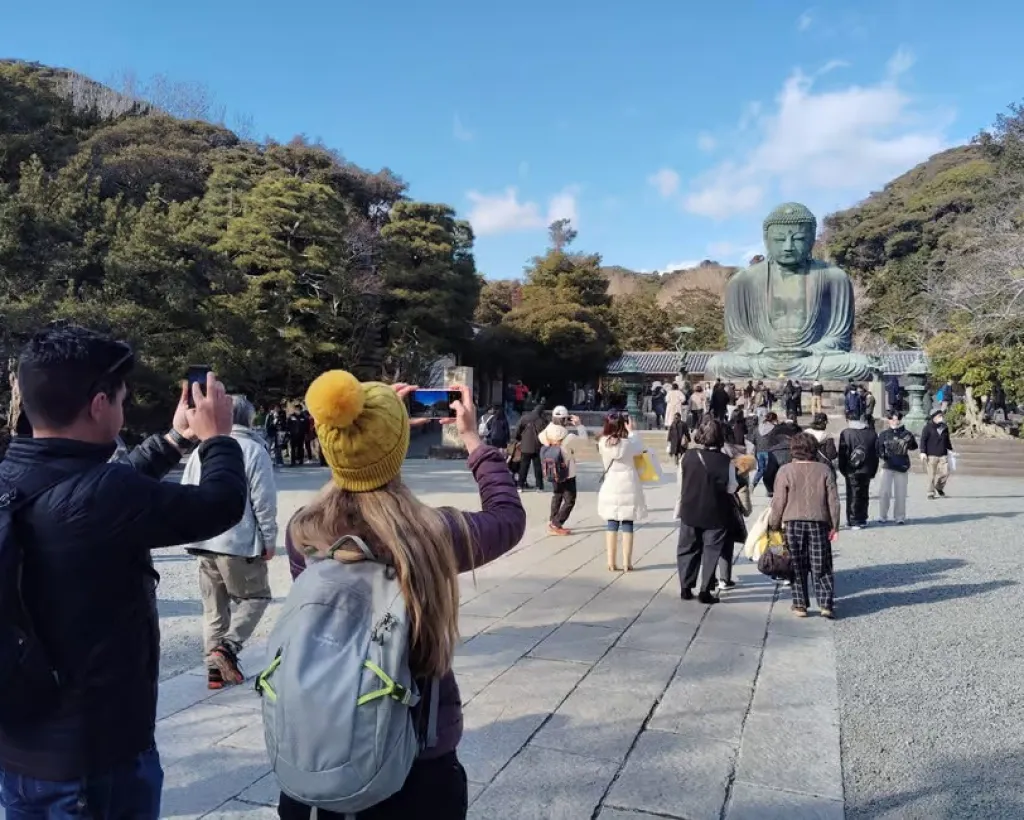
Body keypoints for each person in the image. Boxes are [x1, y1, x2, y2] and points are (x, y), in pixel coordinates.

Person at [0, 325, 247, 819]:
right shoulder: (103, 495)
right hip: (94, 757)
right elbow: (219, 503)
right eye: (120, 400)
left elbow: (100, 489)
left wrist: (177, 439)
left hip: (23, 747)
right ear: (97, 406)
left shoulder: (14, 472)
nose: (123, 409)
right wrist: (219, 438)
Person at [280, 373, 526, 819]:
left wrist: (363, 431)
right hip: (418, 758)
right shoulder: (430, 535)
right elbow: (507, 517)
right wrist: (472, 438)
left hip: (323, 747)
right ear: (396, 452)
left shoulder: (303, 532)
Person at [181, 395, 278, 689]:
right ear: (248, 418)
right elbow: (263, 499)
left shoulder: (202, 449)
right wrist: (269, 538)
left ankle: (214, 672)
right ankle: (228, 648)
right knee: (256, 597)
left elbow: (186, 489)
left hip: (204, 539)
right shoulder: (252, 448)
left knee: (214, 609)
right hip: (237, 541)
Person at [768, 433, 841, 619]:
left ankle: (800, 604)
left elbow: (778, 501)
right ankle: (826, 604)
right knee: (821, 563)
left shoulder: (785, 470)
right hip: (819, 521)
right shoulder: (824, 470)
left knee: (797, 563)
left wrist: (774, 524)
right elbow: (833, 500)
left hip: (793, 521)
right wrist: (835, 525)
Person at [676, 416, 739, 604]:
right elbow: (731, 487)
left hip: (690, 509)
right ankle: (705, 590)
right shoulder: (726, 461)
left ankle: (686, 587)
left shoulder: (687, 456)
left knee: (687, 548)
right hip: (716, 512)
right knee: (712, 550)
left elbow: (681, 483)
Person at [597, 413, 646, 572]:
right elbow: (640, 449)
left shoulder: (603, 443)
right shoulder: (630, 443)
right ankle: (627, 562)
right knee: (627, 523)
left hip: (610, 485)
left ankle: (611, 562)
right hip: (628, 486)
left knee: (611, 523)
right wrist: (632, 431)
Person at [539, 407, 589, 535]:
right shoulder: (569, 437)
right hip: (567, 471)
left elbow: (540, 437)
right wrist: (579, 425)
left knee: (557, 495)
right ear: (565, 420)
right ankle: (556, 523)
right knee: (570, 499)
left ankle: (553, 521)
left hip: (552, 469)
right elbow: (584, 441)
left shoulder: (545, 434)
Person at [837, 411, 879, 529]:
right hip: (867, 468)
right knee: (864, 494)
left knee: (853, 494)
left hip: (851, 469)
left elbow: (843, 453)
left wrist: (843, 469)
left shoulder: (846, 433)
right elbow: (875, 454)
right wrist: (873, 470)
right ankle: (863, 518)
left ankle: (853, 519)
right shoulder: (872, 433)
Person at [877, 410, 918, 524]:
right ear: (889, 420)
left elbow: (914, 447)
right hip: (887, 465)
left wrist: (909, 441)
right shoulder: (884, 434)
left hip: (902, 465)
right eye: (892, 419)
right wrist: (883, 455)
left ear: (900, 420)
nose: (895, 421)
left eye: (897, 419)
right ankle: (882, 515)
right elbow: (878, 449)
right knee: (884, 492)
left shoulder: (906, 433)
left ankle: (900, 516)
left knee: (901, 493)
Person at [920, 408, 955, 499]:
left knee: (946, 472)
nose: (941, 417)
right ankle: (930, 493)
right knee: (931, 475)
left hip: (943, 454)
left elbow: (947, 439)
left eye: (941, 416)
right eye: (939, 416)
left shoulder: (944, 427)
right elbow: (923, 440)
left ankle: (939, 487)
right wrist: (922, 452)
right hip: (931, 455)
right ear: (934, 417)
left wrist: (950, 449)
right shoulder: (927, 428)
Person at [514, 403, 547, 491]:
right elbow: (545, 433)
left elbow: (518, 429)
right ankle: (539, 486)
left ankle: (520, 485)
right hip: (537, 446)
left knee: (524, 466)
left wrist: (518, 438)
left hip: (525, 446)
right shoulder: (542, 420)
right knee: (537, 467)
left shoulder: (525, 417)